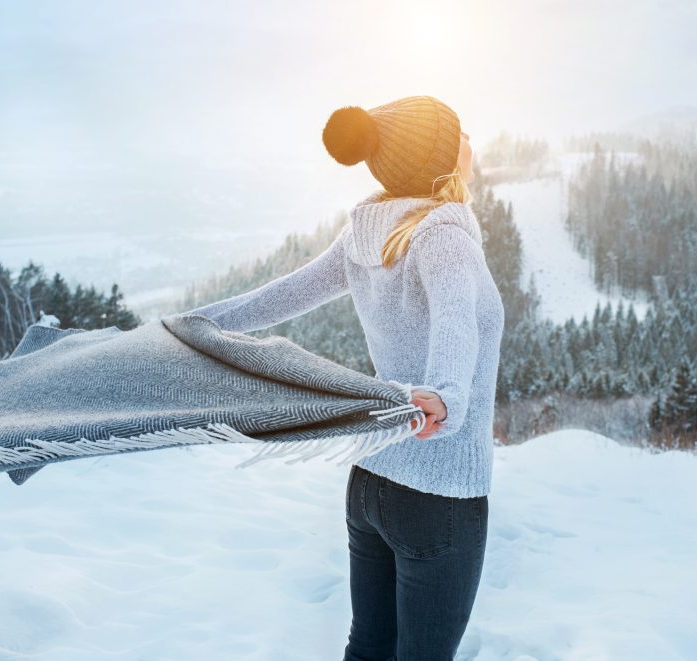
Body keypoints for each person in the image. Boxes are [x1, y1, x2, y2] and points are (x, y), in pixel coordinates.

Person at [185, 95, 504, 660]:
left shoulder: (369, 230)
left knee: (368, 648)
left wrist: (197, 325)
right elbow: (456, 321)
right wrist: (448, 397)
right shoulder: (443, 234)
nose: (471, 142)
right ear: (440, 159)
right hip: (440, 494)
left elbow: (283, 295)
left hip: (372, 480)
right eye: (461, 134)